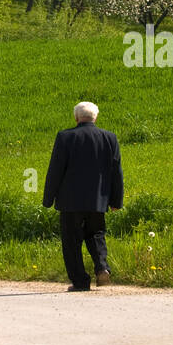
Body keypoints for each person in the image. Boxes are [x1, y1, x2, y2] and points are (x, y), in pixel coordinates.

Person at [42, 101, 123, 291]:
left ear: (76, 117)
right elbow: (116, 171)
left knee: (71, 241)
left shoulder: (65, 137)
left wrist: (48, 199)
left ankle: (80, 281)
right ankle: (102, 267)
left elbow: (55, 170)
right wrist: (116, 200)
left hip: (70, 201)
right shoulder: (109, 138)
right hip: (98, 200)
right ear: (95, 117)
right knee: (96, 234)